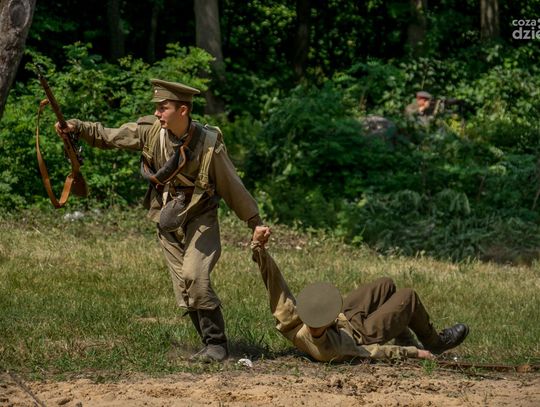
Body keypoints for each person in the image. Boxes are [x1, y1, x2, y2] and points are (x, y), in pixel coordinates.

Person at [55, 79, 265, 362]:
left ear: (182, 110)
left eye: (163, 108)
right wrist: (77, 127)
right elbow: (110, 136)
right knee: (183, 286)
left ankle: (218, 344)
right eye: (156, 107)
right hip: (166, 218)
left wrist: (255, 222)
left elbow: (232, 187)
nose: (157, 113)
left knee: (195, 276)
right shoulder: (152, 132)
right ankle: (208, 345)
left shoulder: (208, 145)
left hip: (200, 216)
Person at [250, 226, 469, 362]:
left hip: (346, 318)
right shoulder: (332, 350)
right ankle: (435, 342)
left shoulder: (292, 320)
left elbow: (276, 286)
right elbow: (373, 352)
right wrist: (414, 353)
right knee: (408, 297)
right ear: (325, 322)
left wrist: (259, 248)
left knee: (386, 285)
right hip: (363, 334)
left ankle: (403, 335)